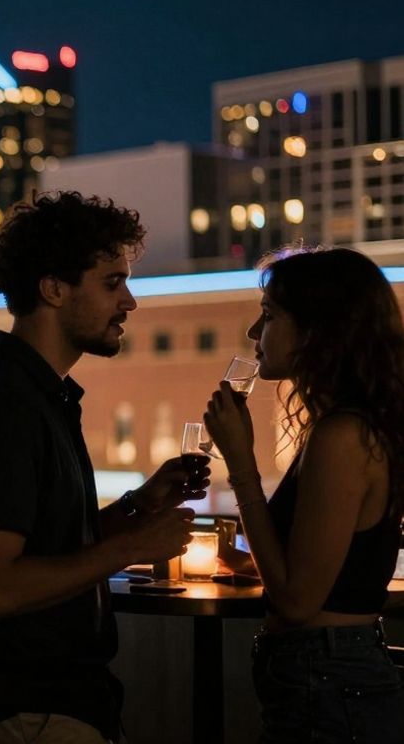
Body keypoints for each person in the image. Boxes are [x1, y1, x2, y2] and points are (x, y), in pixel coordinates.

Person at [0, 192, 205, 743]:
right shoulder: (3, 408)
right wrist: (133, 548)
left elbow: (45, 552)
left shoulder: (35, 397)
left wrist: (138, 506)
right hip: (24, 713)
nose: (130, 302)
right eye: (111, 283)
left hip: (47, 707)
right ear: (53, 289)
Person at [203, 247, 404, 742]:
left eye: (269, 315)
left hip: (330, 679)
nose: (254, 333)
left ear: (319, 329)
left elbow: (296, 600)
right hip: (325, 674)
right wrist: (253, 562)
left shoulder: (343, 436)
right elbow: (327, 566)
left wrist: (242, 462)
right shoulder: (346, 426)